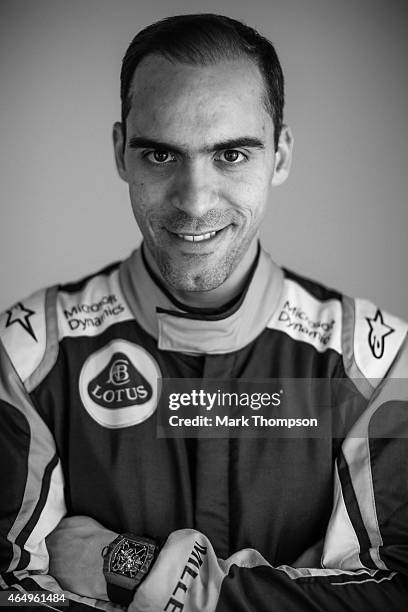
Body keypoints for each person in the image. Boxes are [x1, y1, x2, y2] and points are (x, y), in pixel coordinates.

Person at [1, 13, 407, 611]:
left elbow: (394, 591)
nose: (195, 201)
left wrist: (135, 570)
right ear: (121, 153)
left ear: (281, 155)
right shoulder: (28, 353)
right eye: (161, 156)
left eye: (232, 155)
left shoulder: (377, 361)